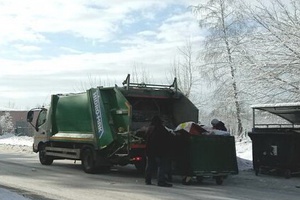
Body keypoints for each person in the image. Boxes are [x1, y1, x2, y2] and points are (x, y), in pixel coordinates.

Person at [145, 116, 174, 187]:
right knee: (161, 166)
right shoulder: (161, 129)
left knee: (150, 165)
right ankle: (161, 181)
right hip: (160, 151)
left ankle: (147, 180)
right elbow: (167, 138)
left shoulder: (150, 129)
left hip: (150, 150)